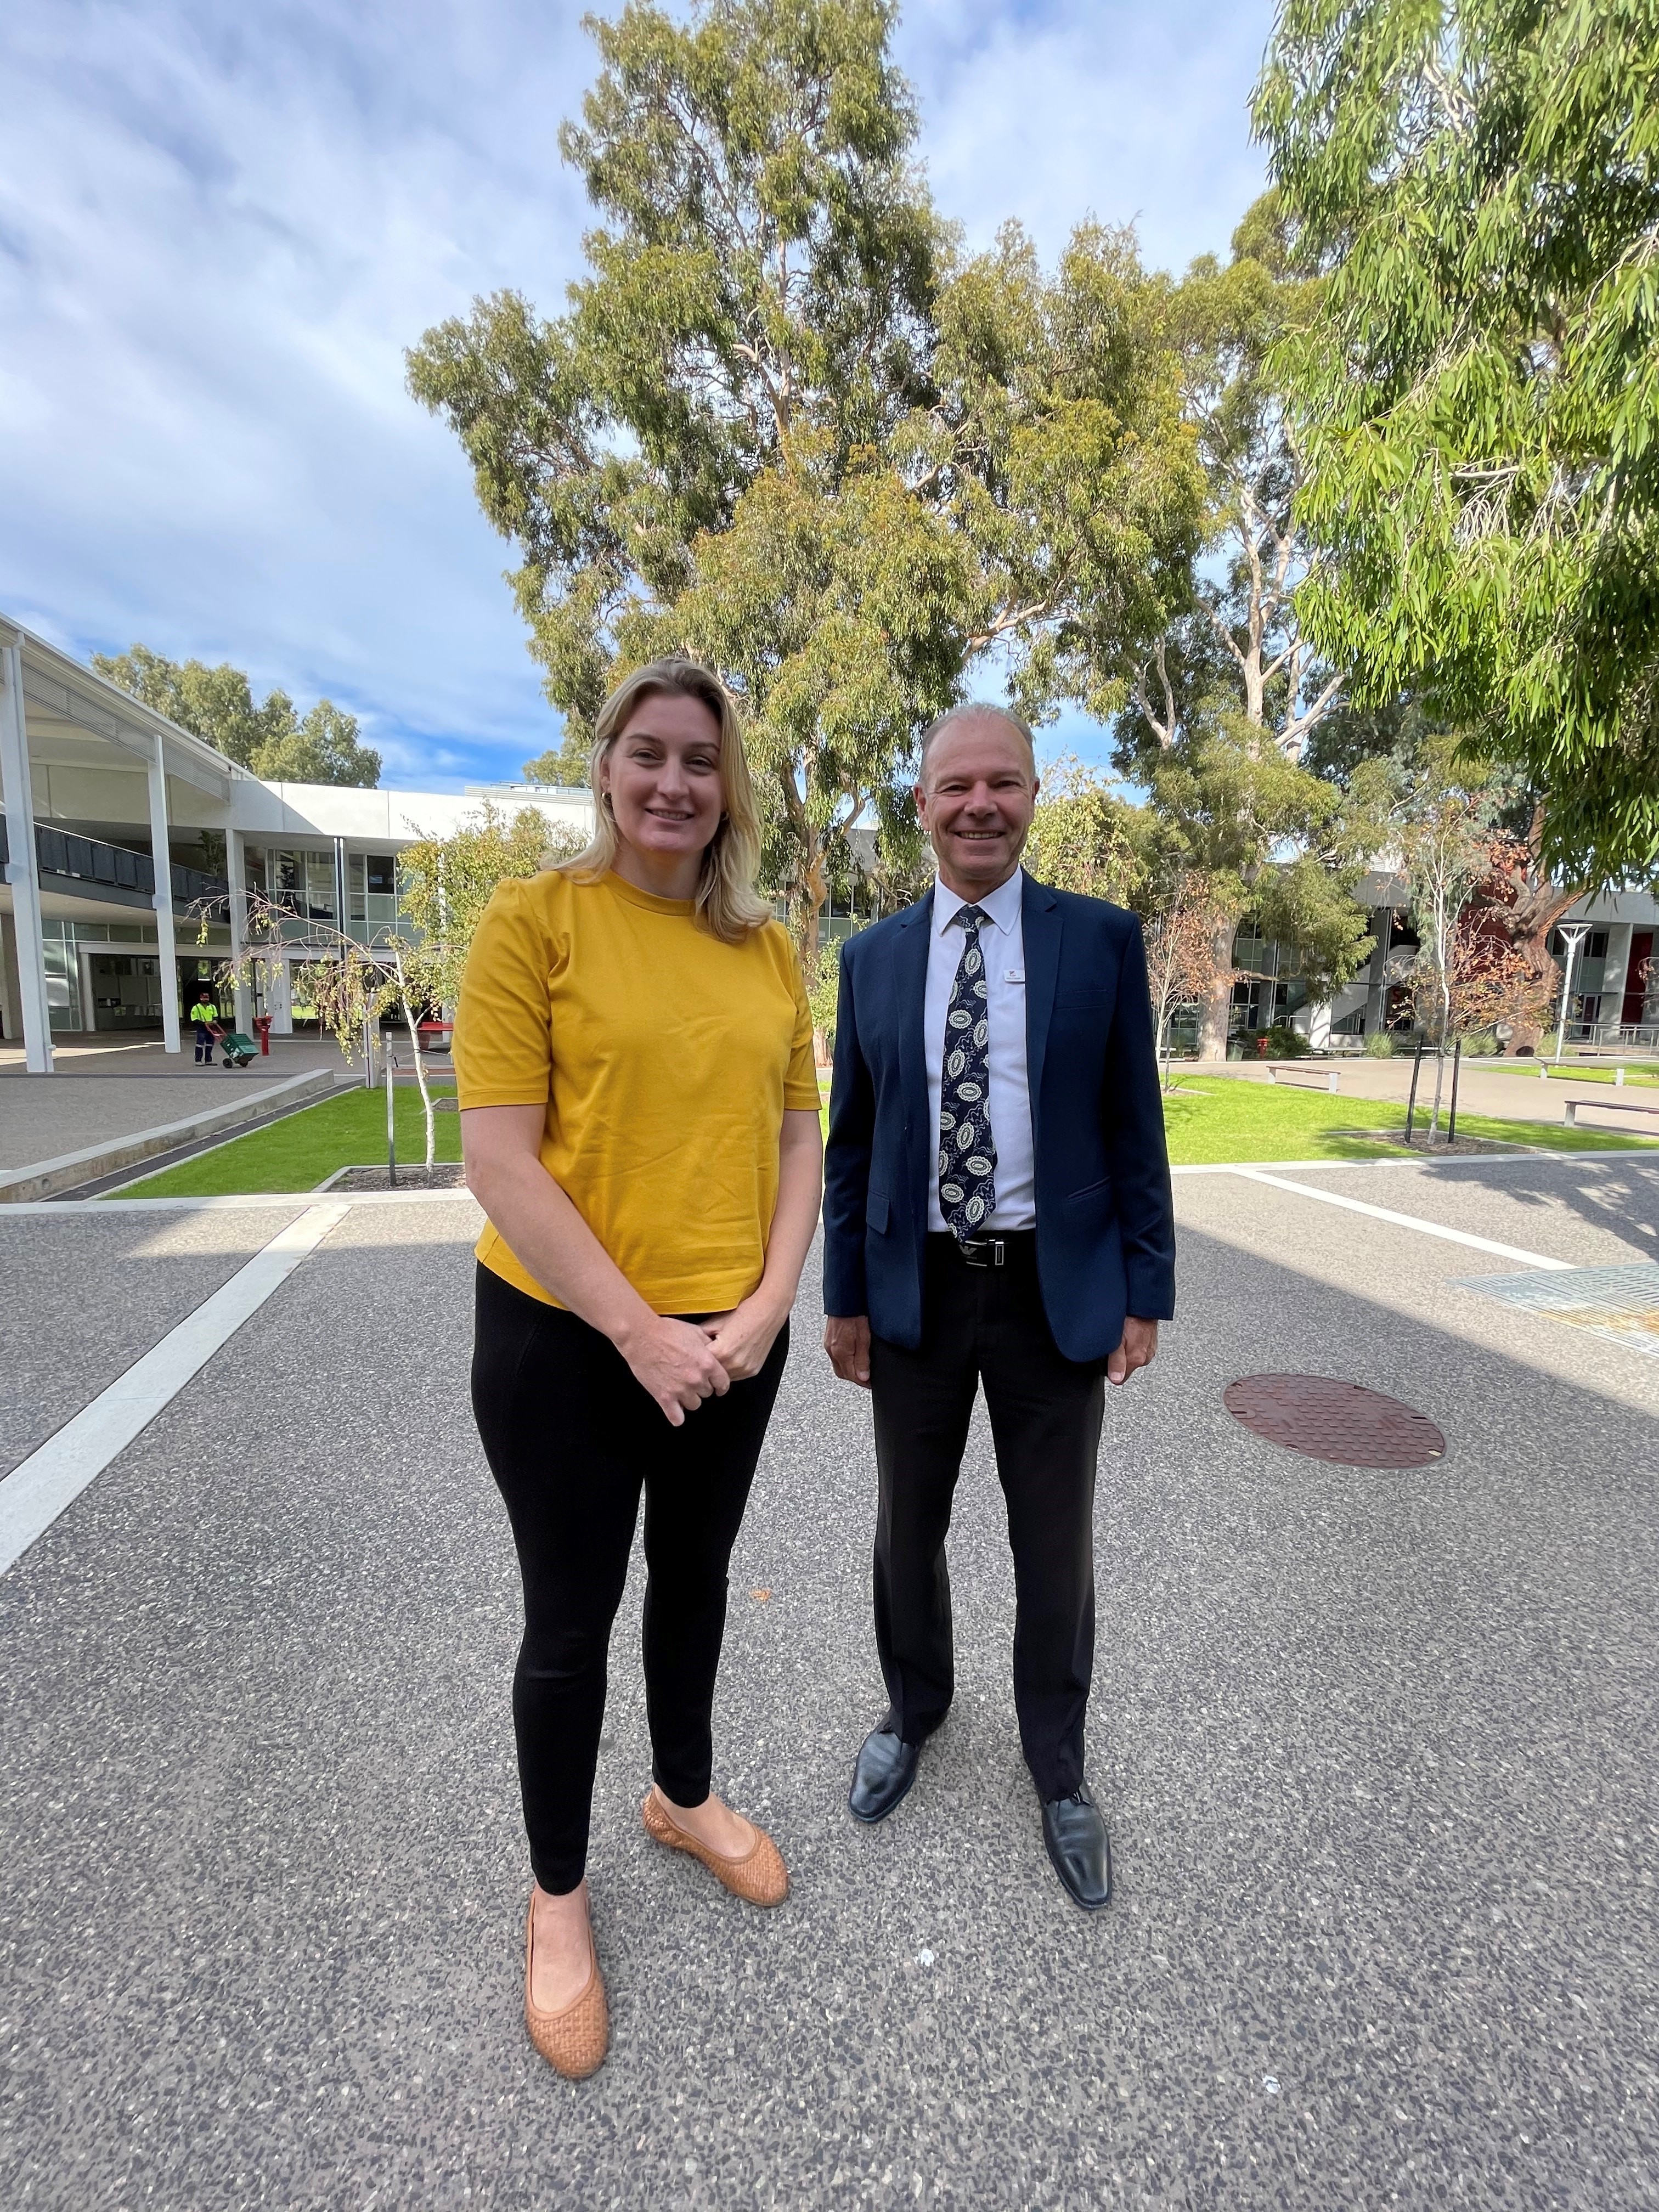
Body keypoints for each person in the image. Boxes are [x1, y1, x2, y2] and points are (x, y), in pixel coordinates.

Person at [455, 658, 823, 2079]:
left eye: (702, 761)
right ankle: (558, 1901)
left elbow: (802, 1139)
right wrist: (638, 1330)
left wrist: (771, 1304)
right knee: (569, 1625)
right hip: (566, 1341)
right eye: (650, 753)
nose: (675, 782)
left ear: (729, 787)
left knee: (698, 1580)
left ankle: (682, 1795)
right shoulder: (534, 921)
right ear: (607, 765)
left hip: (733, 1342)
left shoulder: (767, 949)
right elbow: (500, 1158)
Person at [821, 704, 1175, 1911]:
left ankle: (1060, 1770)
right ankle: (913, 1711)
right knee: (904, 1531)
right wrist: (845, 1297)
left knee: (1054, 1547)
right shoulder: (870, 959)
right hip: (915, 1291)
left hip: (1051, 1296)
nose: (980, 805)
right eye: (955, 786)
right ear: (919, 803)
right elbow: (852, 1145)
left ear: (1033, 798)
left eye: (1004, 784)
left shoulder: (1101, 942)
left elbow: (1138, 1128)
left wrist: (1146, 1289)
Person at [188, 989, 219, 1065]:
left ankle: (208, 1060)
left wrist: (215, 1021)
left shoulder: (212, 1007)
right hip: (202, 1028)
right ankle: (198, 1060)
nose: (205, 999)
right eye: (204, 998)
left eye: (207, 998)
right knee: (200, 1044)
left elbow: (215, 1015)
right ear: (201, 999)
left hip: (211, 1028)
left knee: (210, 1044)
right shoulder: (196, 1008)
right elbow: (194, 1018)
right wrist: (203, 1023)